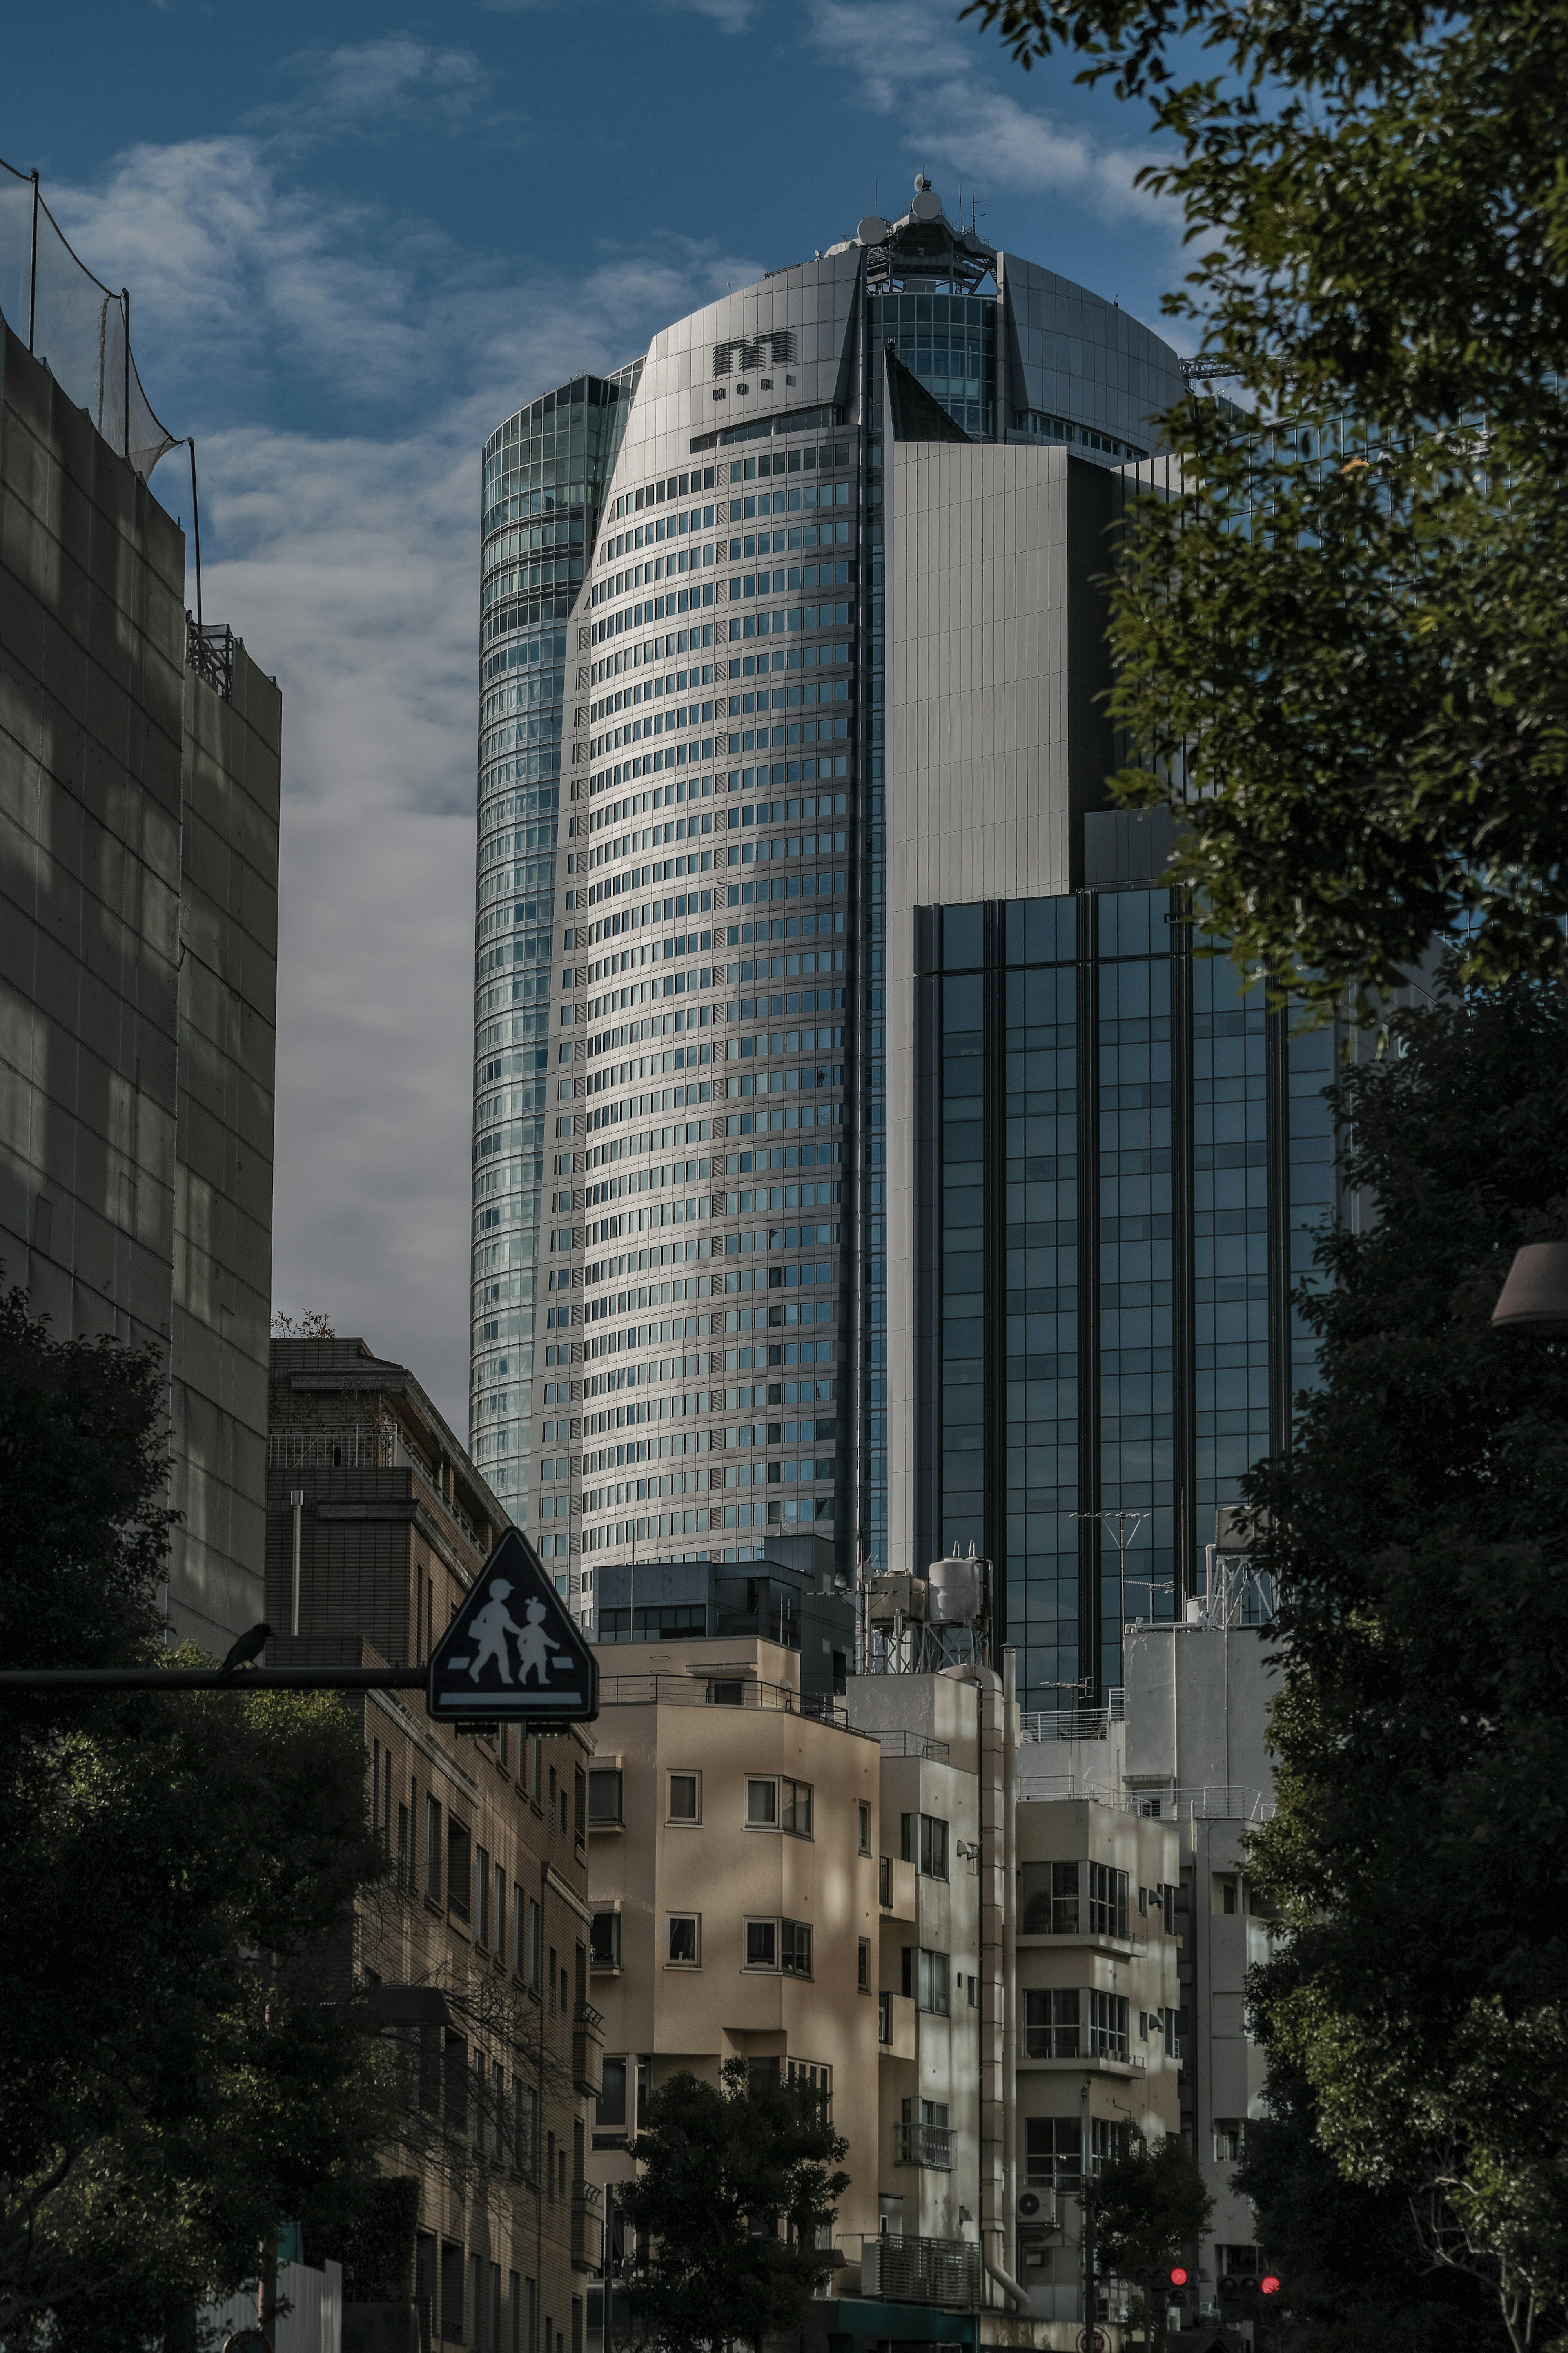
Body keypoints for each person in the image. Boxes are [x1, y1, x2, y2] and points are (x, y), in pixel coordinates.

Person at [467, 1579, 525, 1684]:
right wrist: (520, 1632)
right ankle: (503, 1677)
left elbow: (480, 1619)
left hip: (494, 1636)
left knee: (494, 1656)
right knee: (497, 1656)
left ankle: (504, 1677)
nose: (508, 1593)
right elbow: (508, 1625)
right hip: (493, 1637)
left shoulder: (492, 1607)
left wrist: (520, 1632)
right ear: (501, 1593)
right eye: (506, 1591)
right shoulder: (499, 1608)